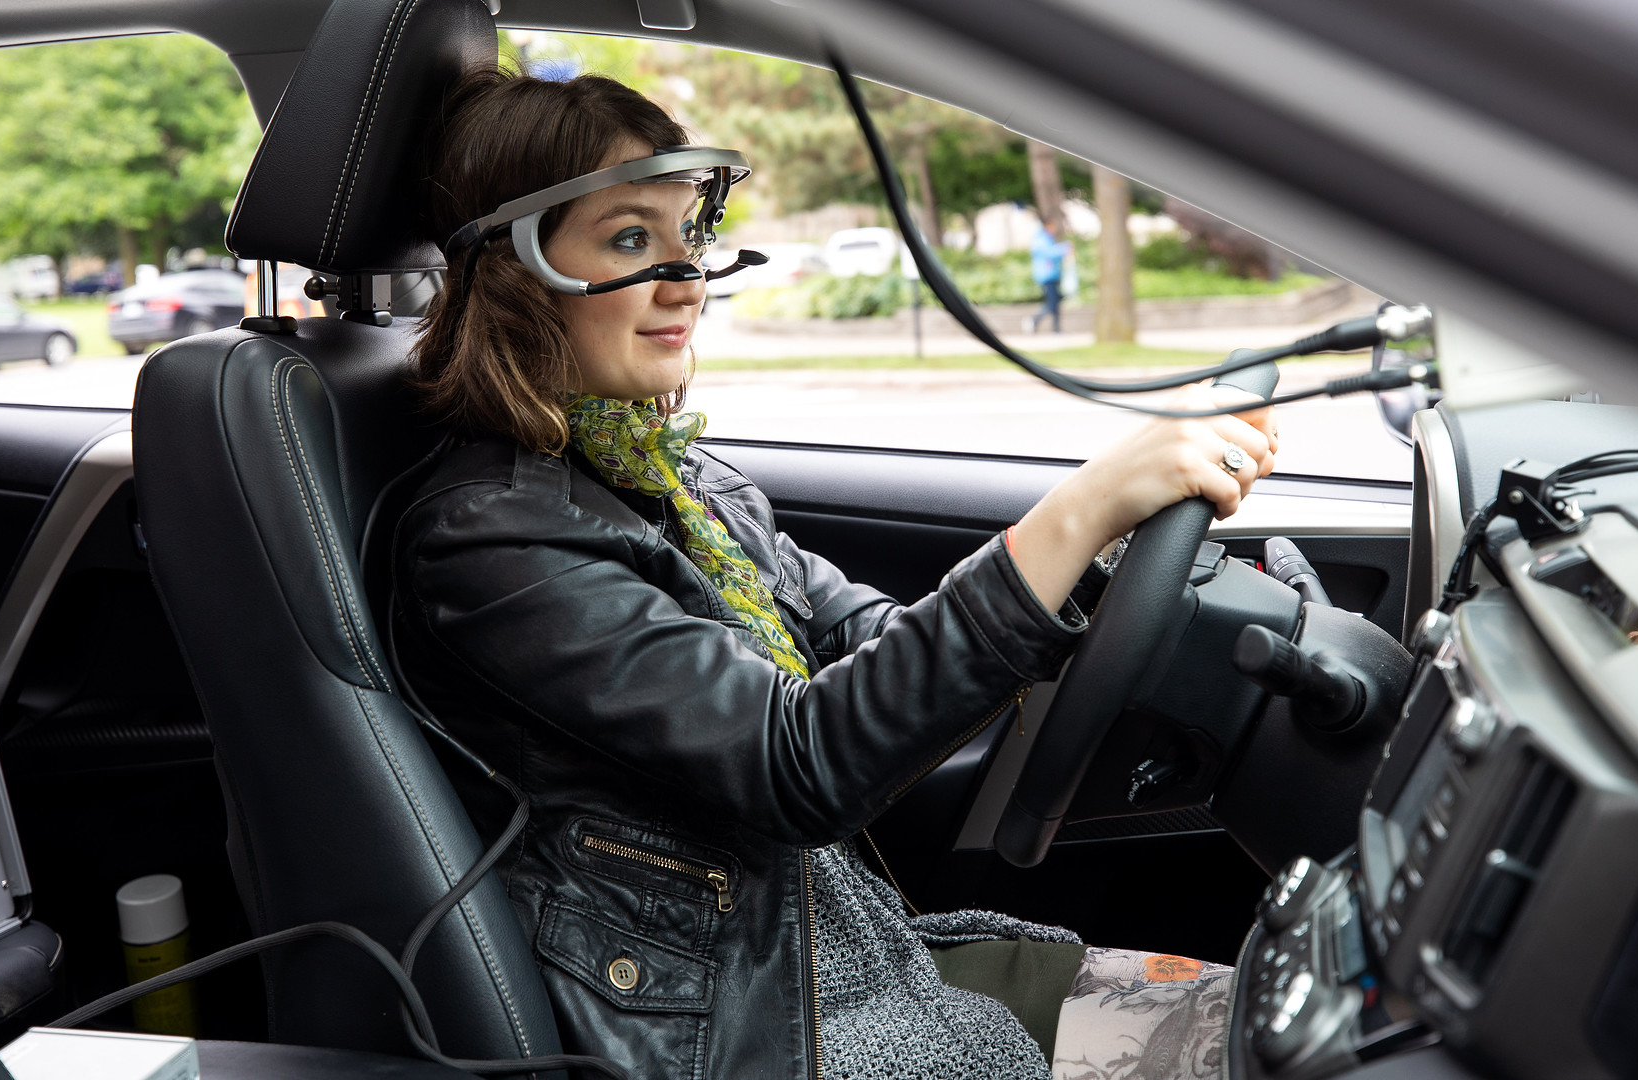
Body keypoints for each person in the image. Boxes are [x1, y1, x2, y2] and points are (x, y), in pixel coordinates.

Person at [394, 70, 1276, 1080]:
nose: (686, 276)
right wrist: (1077, 507)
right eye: (630, 238)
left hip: (827, 953)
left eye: (687, 234)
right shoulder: (490, 535)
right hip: (740, 1024)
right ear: (514, 273)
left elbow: (876, 643)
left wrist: (1099, 563)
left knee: (1269, 1021)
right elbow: (797, 760)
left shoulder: (679, 481)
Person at [1028, 217, 1072, 334]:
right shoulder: (1041, 239)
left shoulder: (1047, 239)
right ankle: (1034, 321)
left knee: (1055, 302)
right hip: (1046, 276)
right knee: (1052, 302)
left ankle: (1056, 328)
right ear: (1047, 226)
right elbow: (1049, 253)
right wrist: (1064, 248)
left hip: (1052, 274)